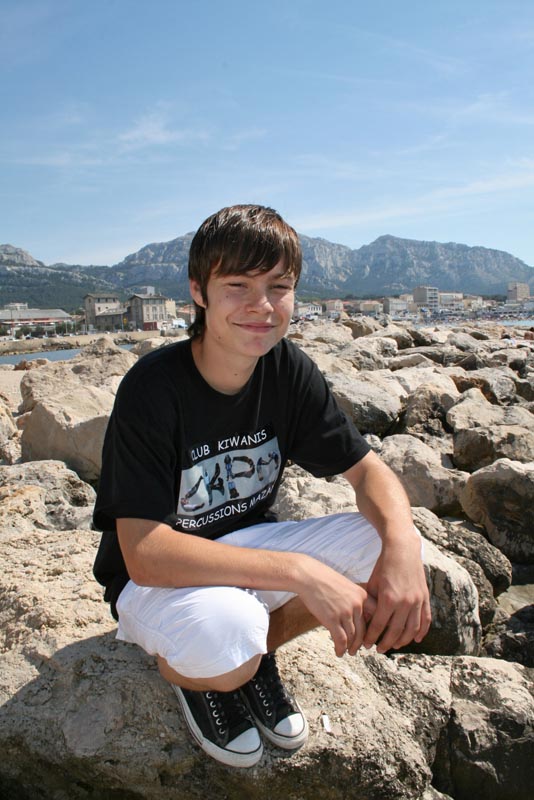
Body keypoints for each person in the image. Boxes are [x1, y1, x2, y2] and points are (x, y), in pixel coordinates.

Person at [93, 204, 431, 769]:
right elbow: (145, 554)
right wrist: (304, 574)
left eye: (279, 286)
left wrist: (402, 546)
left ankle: (252, 652)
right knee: (230, 633)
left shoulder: (286, 369)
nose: (262, 306)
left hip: (244, 556)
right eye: (238, 286)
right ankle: (209, 674)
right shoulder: (153, 390)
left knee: (391, 546)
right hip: (158, 584)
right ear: (199, 292)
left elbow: (368, 471)